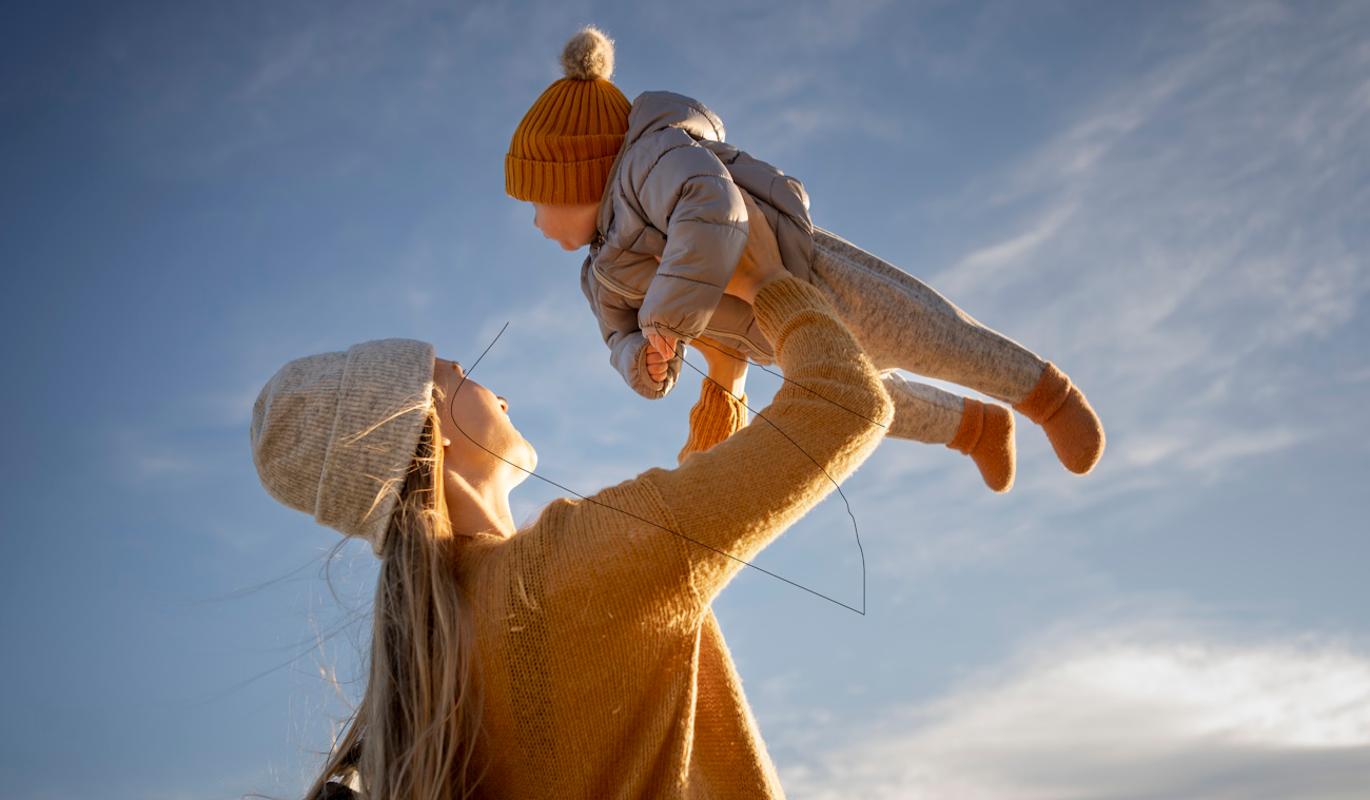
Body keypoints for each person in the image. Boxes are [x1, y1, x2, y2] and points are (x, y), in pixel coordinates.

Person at [248, 206, 892, 798]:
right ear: (432, 432)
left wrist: (723, 381)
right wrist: (767, 282)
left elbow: (656, 564)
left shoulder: (437, 660)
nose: (492, 390)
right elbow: (847, 404)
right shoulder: (569, 565)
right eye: (456, 375)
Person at [505, 26, 1107, 493]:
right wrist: (648, 363)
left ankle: (1046, 397)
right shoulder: (599, 272)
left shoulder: (648, 163)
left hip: (805, 274)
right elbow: (617, 338)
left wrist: (667, 316)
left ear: (576, 175)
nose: (535, 222)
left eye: (538, 201)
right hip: (767, 334)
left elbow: (709, 204)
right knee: (856, 397)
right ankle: (973, 429)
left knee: (925, 334)